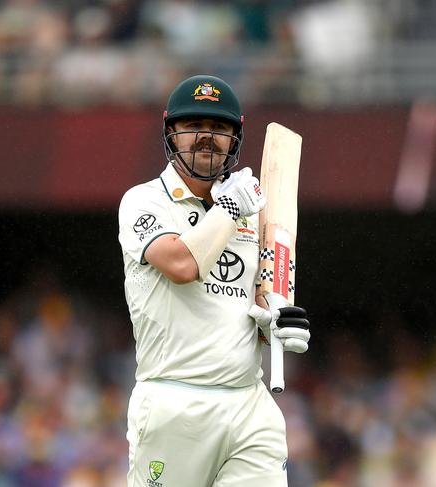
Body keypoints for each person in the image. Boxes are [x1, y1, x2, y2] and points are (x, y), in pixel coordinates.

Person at [118, 74, 311, 487]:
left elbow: (262, 297)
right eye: (194, 127)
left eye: (220, 128)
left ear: (234, 139)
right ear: (172, 134)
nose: (207, 137)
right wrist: (228, 208)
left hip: (248, 404)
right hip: (174, 401)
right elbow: (182, 265)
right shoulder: (143, 200)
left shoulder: (253, 208)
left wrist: (275, 324)